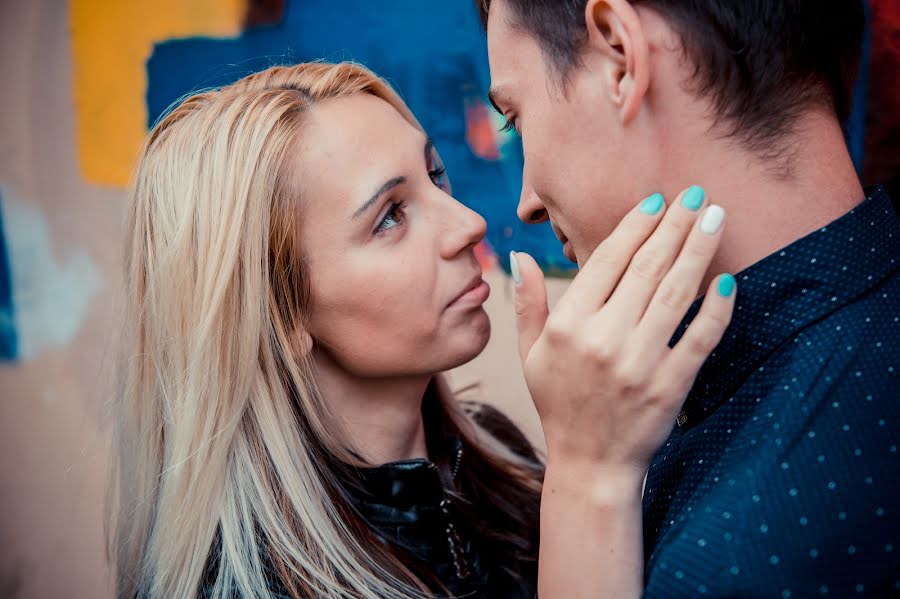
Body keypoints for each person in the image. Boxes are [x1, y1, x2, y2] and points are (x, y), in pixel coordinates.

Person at [109, 61, 733, 598]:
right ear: (280, 314)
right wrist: (587, 471)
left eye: (436, 176)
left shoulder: (499, 458)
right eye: (389, 218)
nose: (467, 225)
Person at [480, 0, 900, 596]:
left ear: (620, 56)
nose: (527, 202)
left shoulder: (729, 564)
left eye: (514, 119)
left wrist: (584, 479)